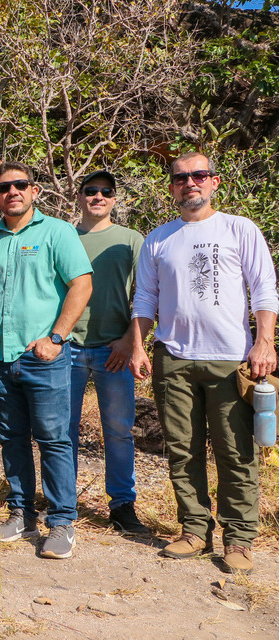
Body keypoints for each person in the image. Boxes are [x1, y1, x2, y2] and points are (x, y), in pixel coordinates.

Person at [129, 152, 278, 574]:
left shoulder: (238, 228)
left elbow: (264, 289)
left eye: (198, 175)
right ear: (172, 187)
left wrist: (264, 342)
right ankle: (194, 530)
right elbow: (145, 299)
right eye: (180, 178)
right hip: (173, 357)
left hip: (231, 359)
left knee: (236, 451)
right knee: (181, 449)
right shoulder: (159, 238)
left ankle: (240, 538)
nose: (189, 183)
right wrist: (139, 345)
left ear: (214, 182)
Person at [0, 161, 92, 559]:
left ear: (35, 190)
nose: (12, 191)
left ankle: (62, 522)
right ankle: (21, 513)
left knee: (53, 439)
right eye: (4, 186)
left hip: (43, 358)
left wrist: (57, 337)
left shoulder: (57, 232)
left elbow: (82, 283)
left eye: (20, 185)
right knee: (11, 439)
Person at [69, 170, 149, 535]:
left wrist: (130, 341)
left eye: (106, 192)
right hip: (66, 347)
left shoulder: (132, 240)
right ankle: (62, 502)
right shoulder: (64, 236)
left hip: (113, 350)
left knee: (118, 431)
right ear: (80, 196)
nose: (98, 197)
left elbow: (147, 294)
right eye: (91, 191)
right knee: (61, 431)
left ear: (115, 199)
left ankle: (121, 505)